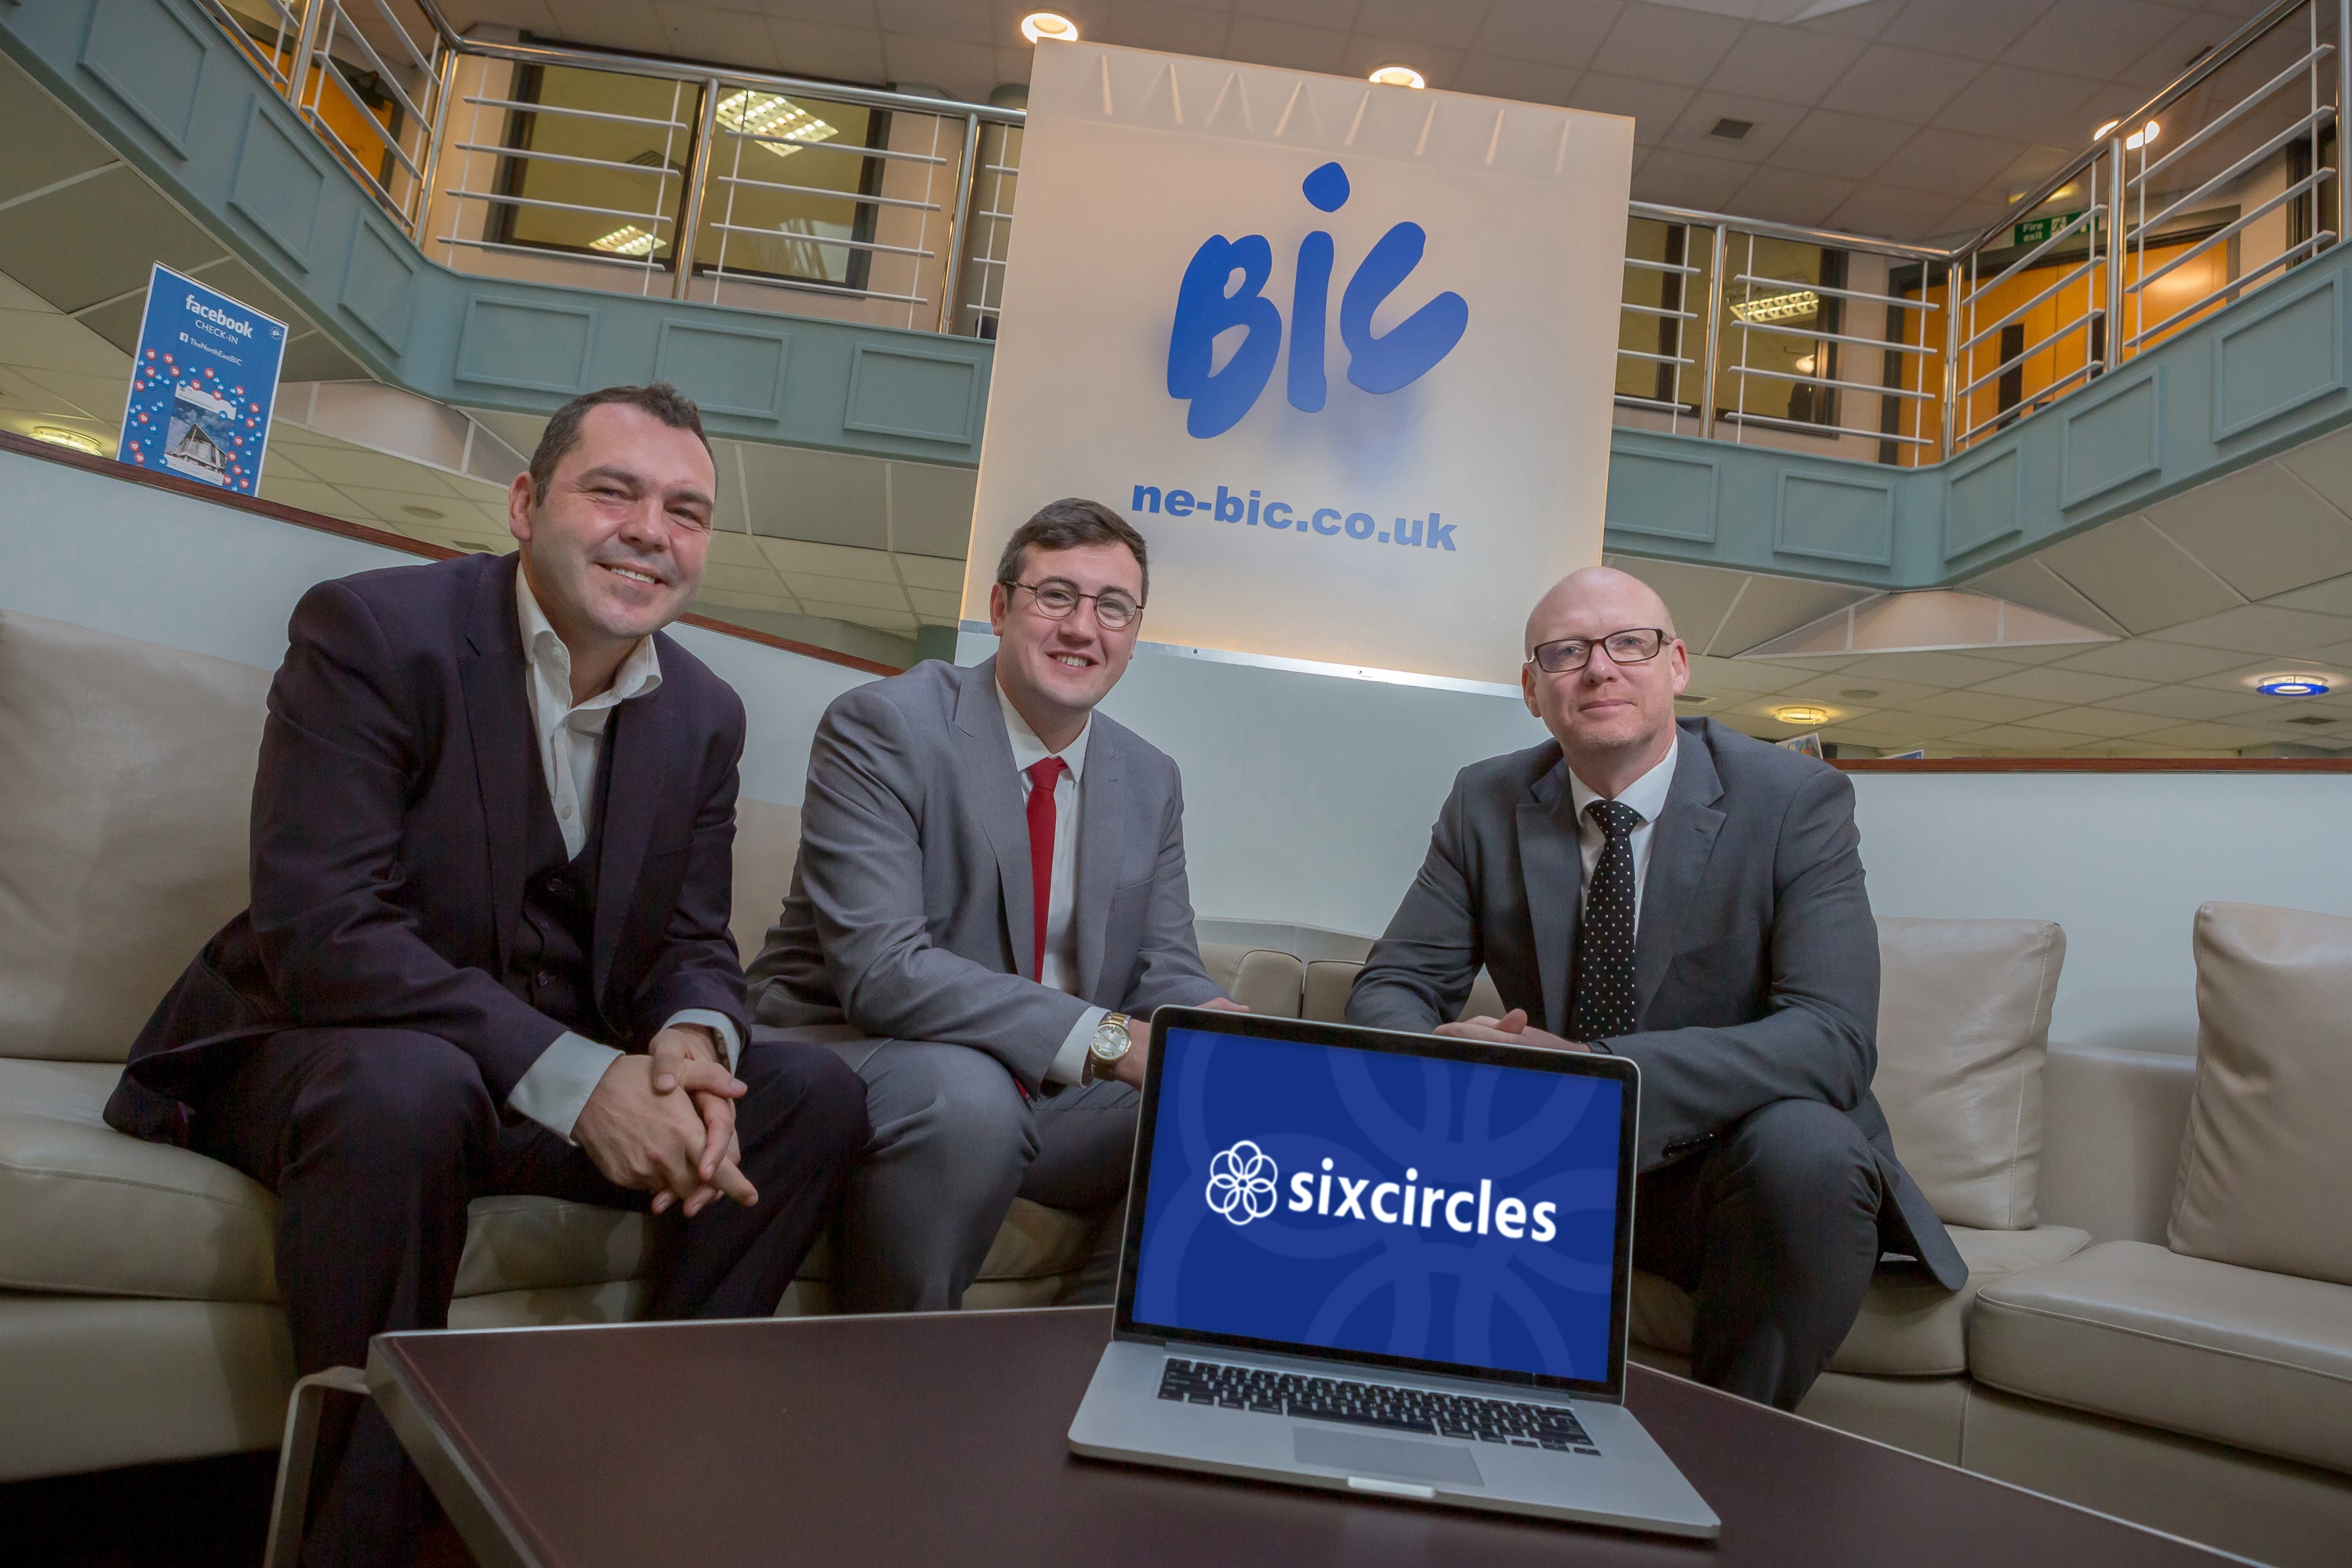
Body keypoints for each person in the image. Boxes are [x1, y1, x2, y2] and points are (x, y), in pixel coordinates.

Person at [106, 383, 869, 1568]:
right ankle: (358, 1532)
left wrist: (690, 1042)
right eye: (612, 490)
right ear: (525, 503)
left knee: (813, 1098)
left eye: (685, 510)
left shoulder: (706, 714)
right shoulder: (369, 632)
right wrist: (578, 1080)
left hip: (510, 1088)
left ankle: (631, 1485)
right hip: (317, 1051)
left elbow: (692, 943)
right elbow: (328, 930)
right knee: (410, 1089)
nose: (649, 531)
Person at [1345, 565, 1964, 1410]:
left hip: (1726, 1170)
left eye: (1628, 643)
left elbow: (1833, 1038)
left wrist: (1592, 1067)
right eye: (1566, 652)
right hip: (1539, 1164)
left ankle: (1724, 1460)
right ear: (1532, 690)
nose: (1600, 668)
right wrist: (1450, 1050)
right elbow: (1394, 983)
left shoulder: (1793, 800)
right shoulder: (1485, 798)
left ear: (1675, 664)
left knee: (1810, 1150)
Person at [747, 497, 1240, 1312]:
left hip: (1043, 1092)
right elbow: (884, 972)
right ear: (1001, 606)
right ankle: (892, 1393)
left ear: (1133, 634)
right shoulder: (886, 726)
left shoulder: (1149, 778)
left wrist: (1217, 1027)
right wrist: (1110, 1038)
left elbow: (1164, 965)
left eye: (1112, 606)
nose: (1083, 626)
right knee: (967, 1096)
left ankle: (1079, 1361)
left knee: (1226, 1104)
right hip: (865, 1056)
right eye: (1056, 596)